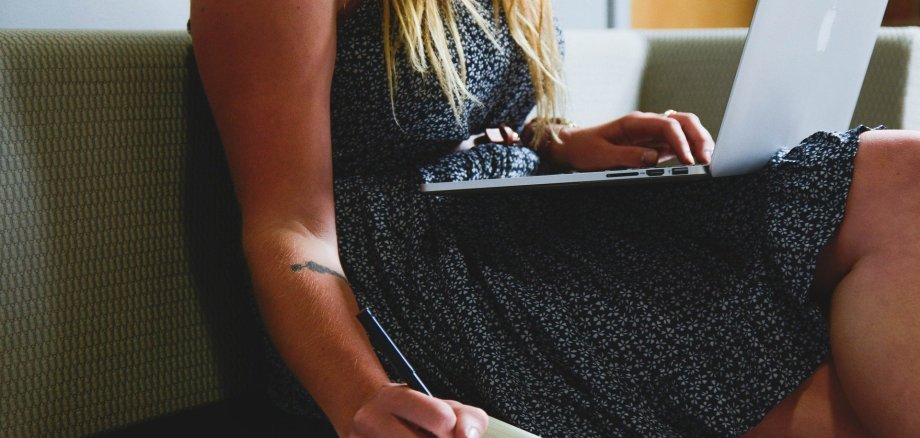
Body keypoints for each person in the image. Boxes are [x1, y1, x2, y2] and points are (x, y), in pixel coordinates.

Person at [189, 0, 920, 436]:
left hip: (511, 220)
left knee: (897, 195)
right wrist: (362, 400)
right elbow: (288, 225)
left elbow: (450, 117)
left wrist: (562, 143)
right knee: (895, 186)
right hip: (419, 282)